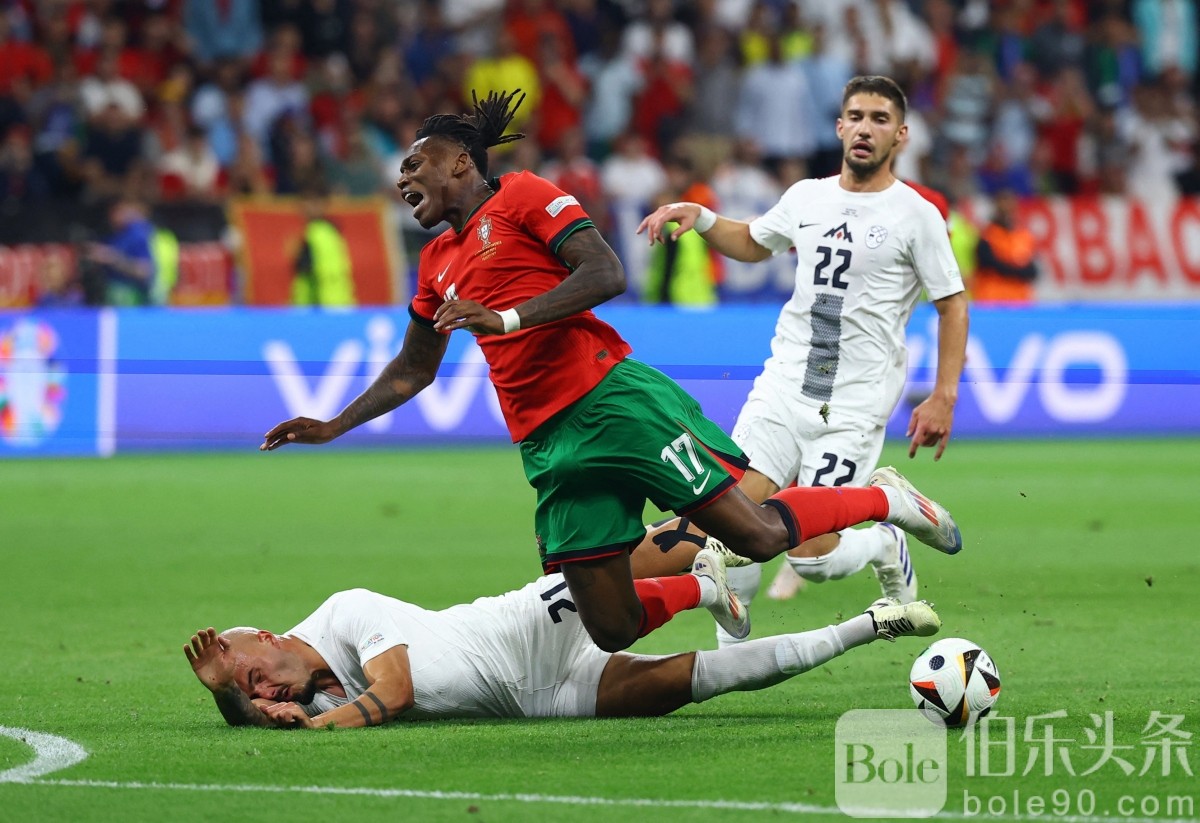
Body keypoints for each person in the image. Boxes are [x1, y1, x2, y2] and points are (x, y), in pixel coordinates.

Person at [260, 89, 961, 656]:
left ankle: (884, 501)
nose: (402, 177)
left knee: (757, 536)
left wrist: (507, 319)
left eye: (416, 164)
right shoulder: (435, 263)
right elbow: (414, 370)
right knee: (611, 626)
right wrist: (333, 424)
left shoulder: (522, 196)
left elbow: (605, 271)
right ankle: (705, 589)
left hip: (613, 402)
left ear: (460, 163)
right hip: (547, 445)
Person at [636, 76, 969, 645]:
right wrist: (703, 217)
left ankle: (886, 535)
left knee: (811, 557)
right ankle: (731, 660)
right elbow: (754, 242)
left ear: (901, 135)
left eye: (880, 119)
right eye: (856, 116)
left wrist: (944, 395)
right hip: (784, 386)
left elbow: (952, 305)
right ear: (839, 127)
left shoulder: (916, 215)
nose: (865, 128)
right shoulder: (807, 197)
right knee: (730, 515)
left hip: (854, 404)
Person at [182, 564, 942, 727]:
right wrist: (229, 694)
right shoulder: (309, 692)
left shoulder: (346, 612)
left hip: (524, 628)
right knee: (714, 678)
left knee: (628, 569)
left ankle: (709, 574)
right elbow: (263, 719)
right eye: (253, 694)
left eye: (254, 676)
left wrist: (315, 727)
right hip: (542, 699)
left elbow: (397, 692)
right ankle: (874, 623)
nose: (265, 694)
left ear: (274, 640)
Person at [969, 188, 1039, 304]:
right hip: (993, 300)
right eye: (1003, 207)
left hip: (1020, 301)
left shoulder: (1024, 236)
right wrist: (1019, 270)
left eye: (1010, 207)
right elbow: (988, 263)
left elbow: (1033, 270)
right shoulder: (987, 235)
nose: (1007, 211)